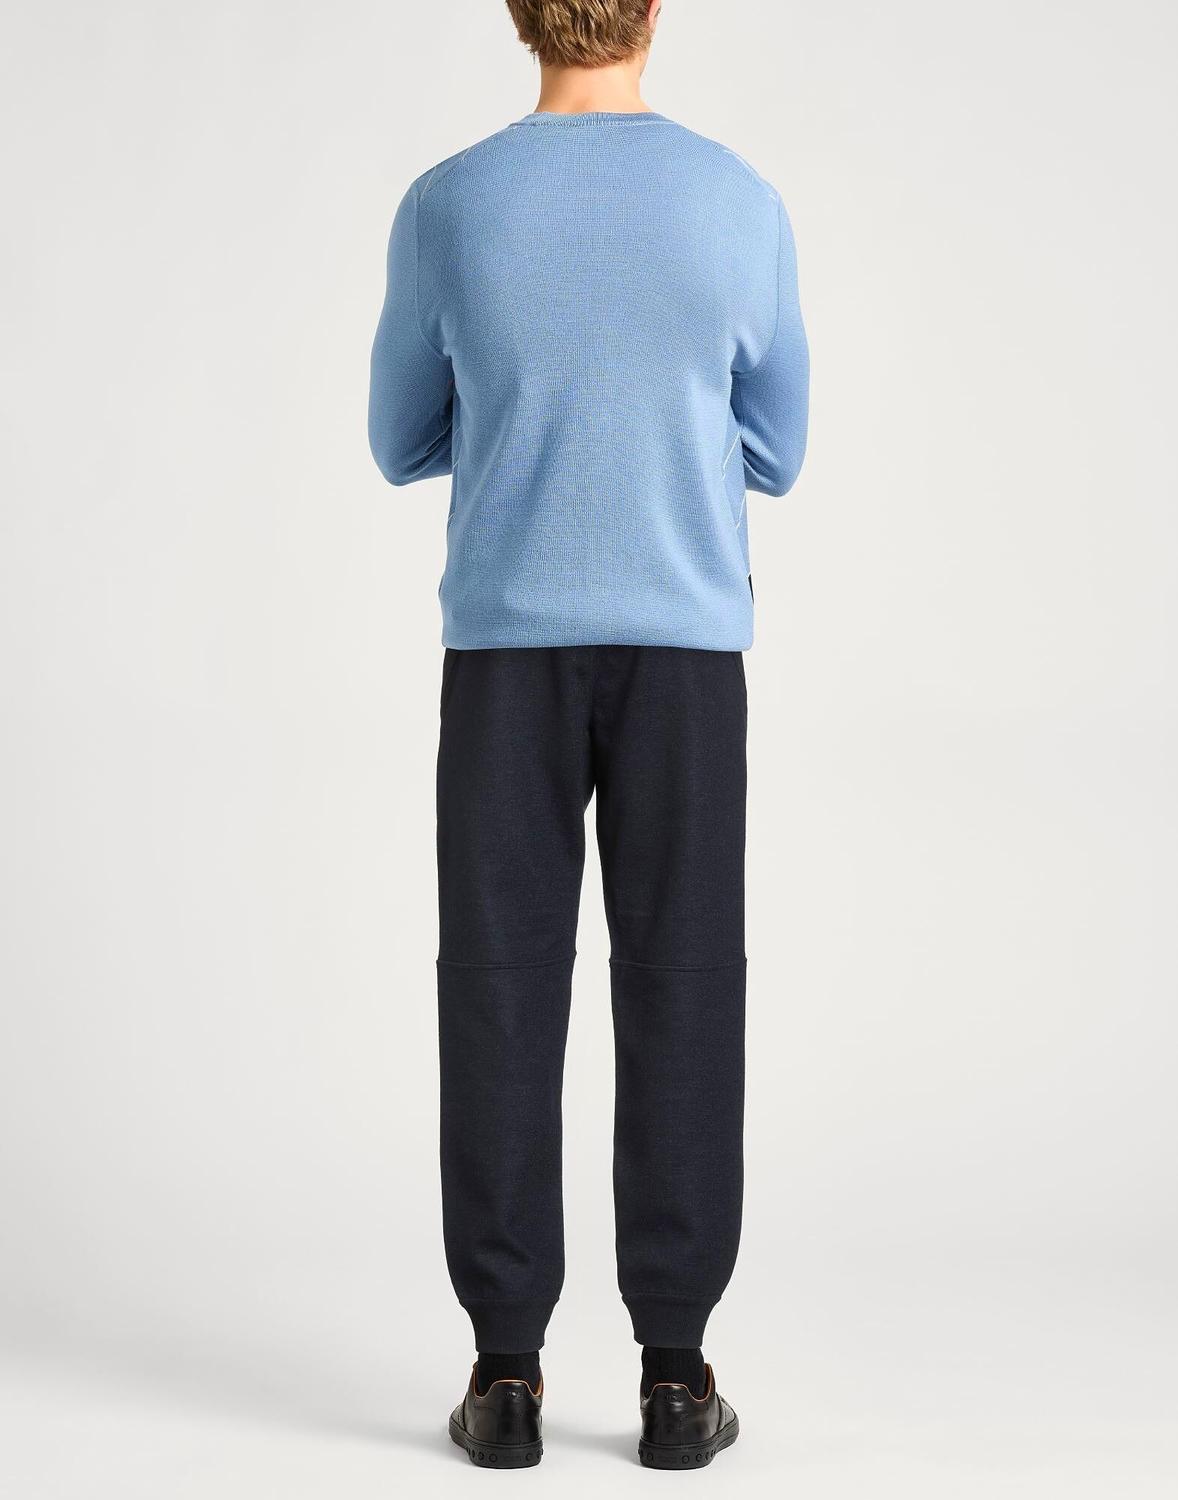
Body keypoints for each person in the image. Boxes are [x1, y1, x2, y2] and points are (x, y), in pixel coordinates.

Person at [368, 0, 808, 1471]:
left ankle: (505, 1376)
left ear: (519, 15)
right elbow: (778, 448)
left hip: (505, 645)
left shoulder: (449, 204)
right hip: (685, 648)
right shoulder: (737, 203)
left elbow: (398, 438)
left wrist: (519, 415)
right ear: (653, 9)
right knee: (684, 979)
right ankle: (676, 1378)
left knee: (498, 985)